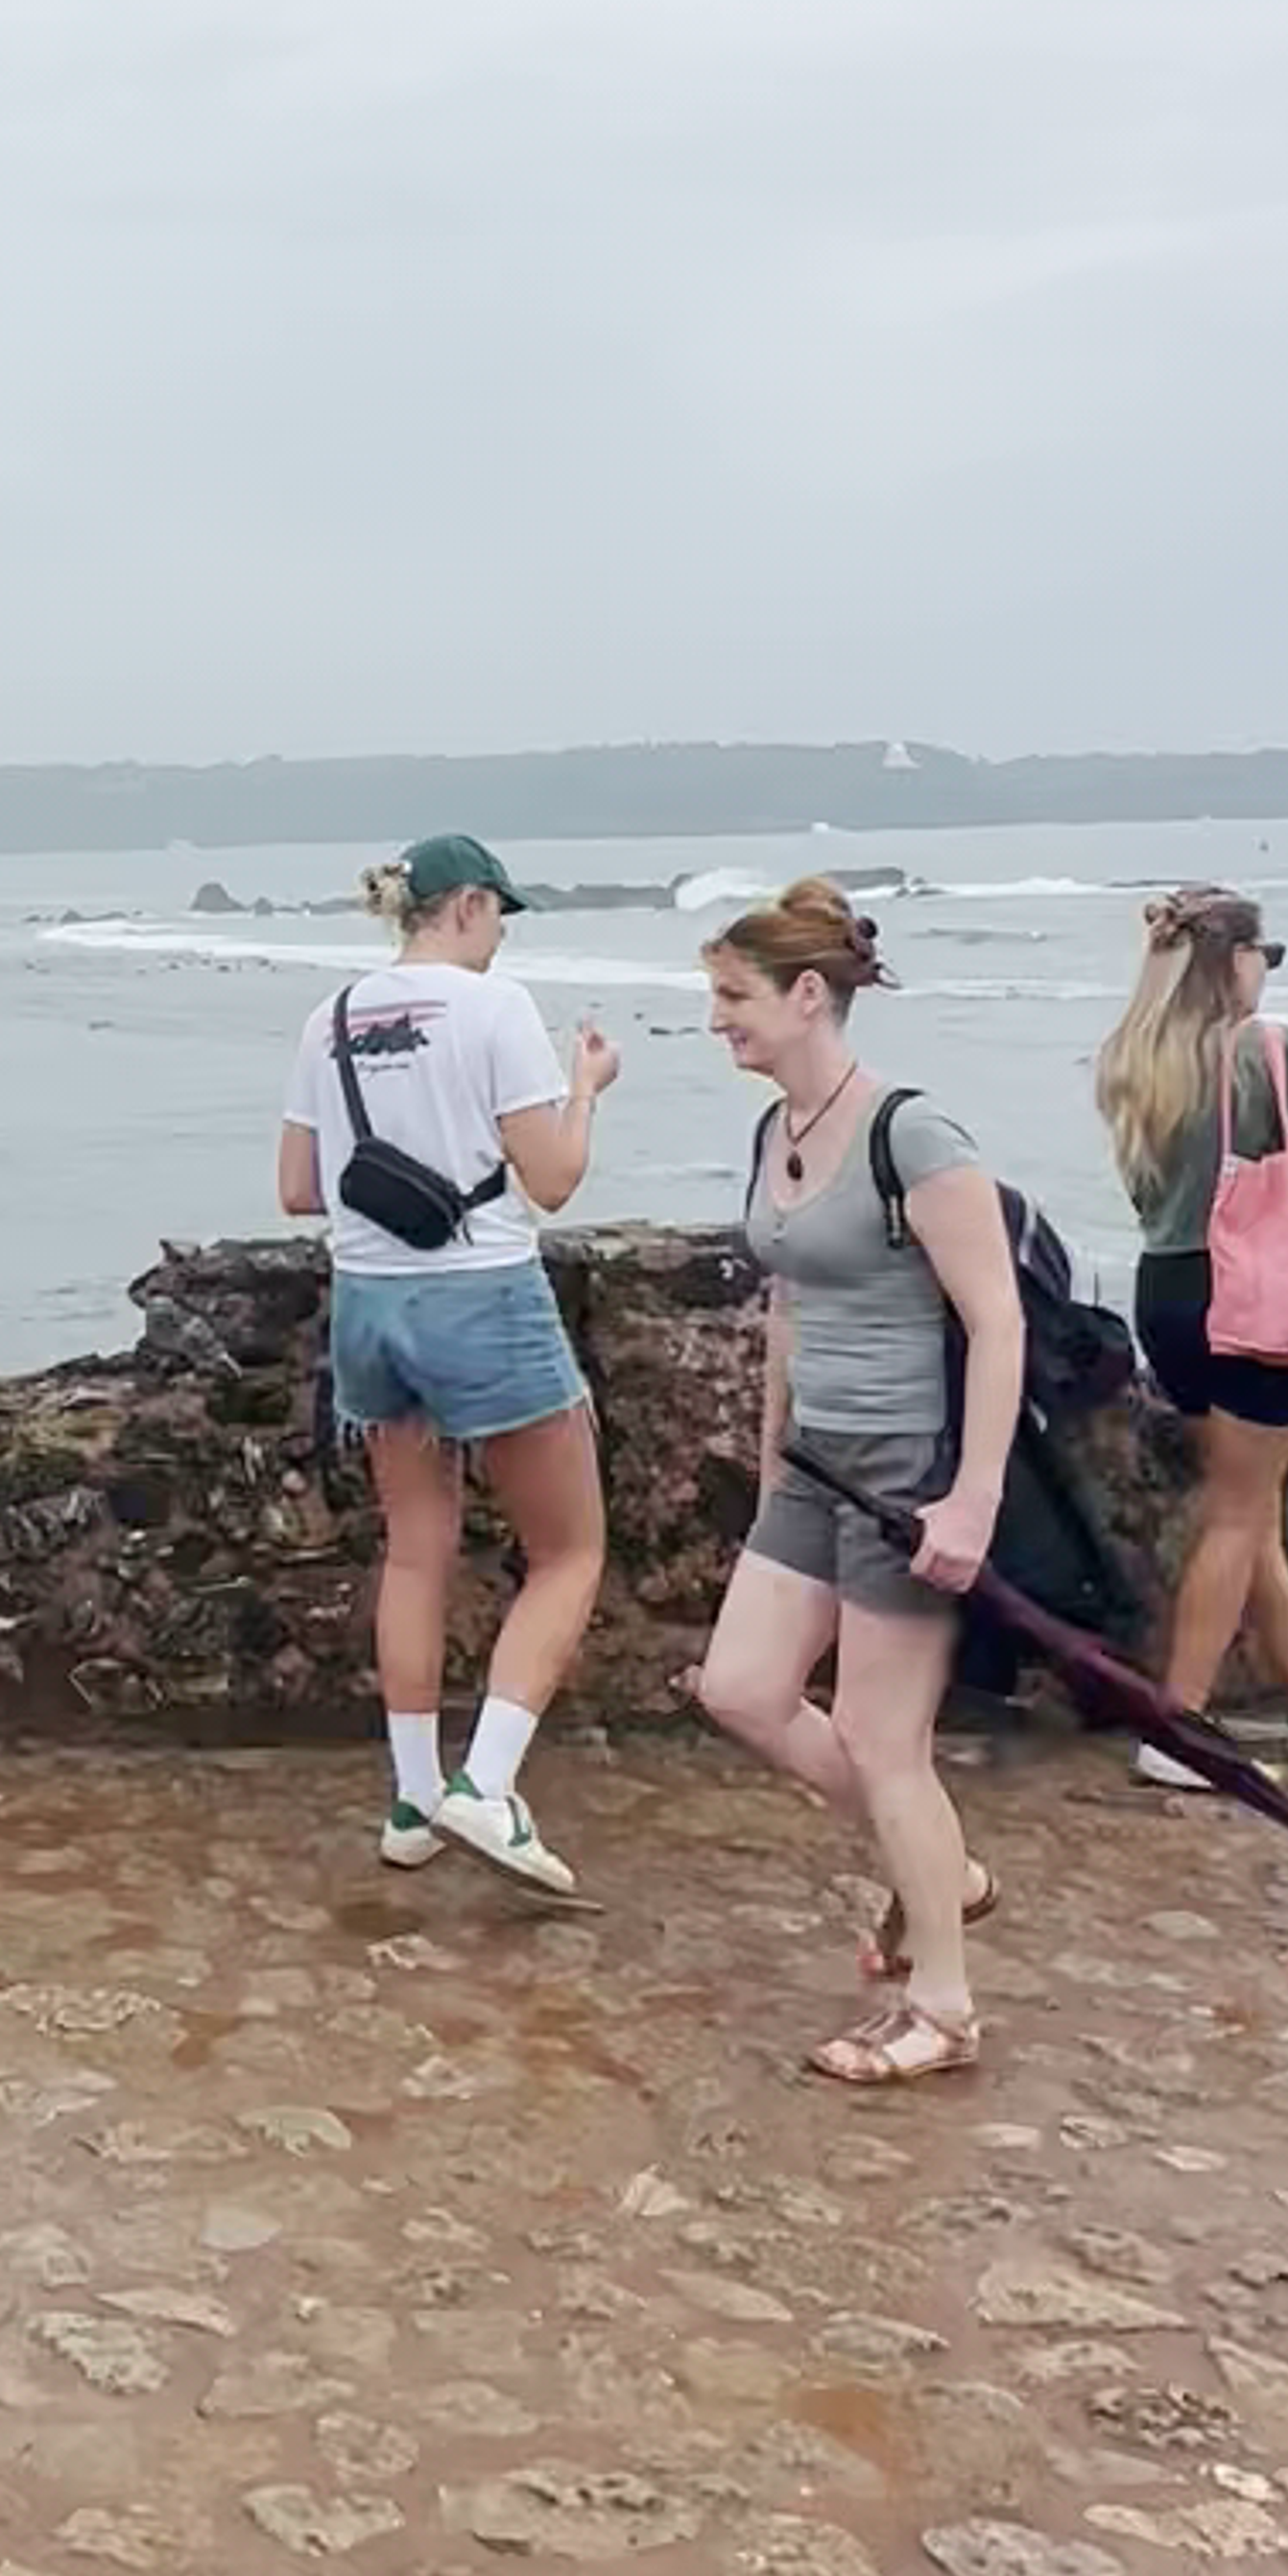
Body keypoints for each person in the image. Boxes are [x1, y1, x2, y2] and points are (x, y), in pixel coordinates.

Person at [690, 880, 1022, 2087]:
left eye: (735, 997)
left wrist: (971, 1498)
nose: (718, 1019)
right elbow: (790, 1299)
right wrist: (774, 1447)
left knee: (889, 1741)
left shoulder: (913, 1134)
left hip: (902, 1472)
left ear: (808, 994)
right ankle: (950, 1874)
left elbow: (996, 1319)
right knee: (739, 1686)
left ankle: (944, 2001)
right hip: (816, 1468)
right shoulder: (777, 1130)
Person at [275, 830, 621, 1900]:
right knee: (568, 1549)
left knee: (417, 1549)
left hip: (369, 1306)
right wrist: (586, 1085)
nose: (502, 932)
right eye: (501, 912)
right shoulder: (495, 1007)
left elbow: (299, 1186)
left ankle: (415, 1799)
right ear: (466, 904)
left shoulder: (329, 1015)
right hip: (482, 1297)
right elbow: (554, 1179)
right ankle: (491, 1781)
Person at [1094, 885, 1288, 1781]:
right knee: (1237, 1510)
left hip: (1167, 1291)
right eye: (1264, 954)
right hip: (1248, 1293)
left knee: (1251, 1504)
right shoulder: (1268, 1049)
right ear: (1234, 960)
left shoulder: (1131, 1060)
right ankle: (1180, 1725)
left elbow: (1150, 1196)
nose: (1266, 970)